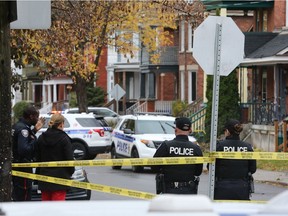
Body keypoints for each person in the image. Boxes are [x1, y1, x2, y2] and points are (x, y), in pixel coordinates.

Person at [153, 117, 203, 194]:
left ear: (175, 129)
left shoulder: (166, 146)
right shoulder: (196, 148)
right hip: (189, 190)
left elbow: (154, 166)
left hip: (168, 190)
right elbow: (198, 172)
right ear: (190, 130)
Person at [214, 119, 257, 200]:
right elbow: (253, 169)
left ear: (227, 131)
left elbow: (211, 168)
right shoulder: (247, 147)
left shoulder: (219, 146)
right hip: (242, 188)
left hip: (222, 187)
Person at [36, 113, 75, 201]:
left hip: (44, 178)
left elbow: (38, 158)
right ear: (61, 124)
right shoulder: (64, 139)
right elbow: (69, 159)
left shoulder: (41, 138)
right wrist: (70, 172)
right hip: (60, 179)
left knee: (46, 209)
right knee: (58, 209)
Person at [12, 105, 45, 201]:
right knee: (24, 196)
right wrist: (34, 138)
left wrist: (34, 131)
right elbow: (24, 149)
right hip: (23, 168)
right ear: (31, 116)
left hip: (16, 166)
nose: (38, 119)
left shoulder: (17, 125)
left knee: (17, 195)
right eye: (36, 117)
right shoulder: (24, 130)